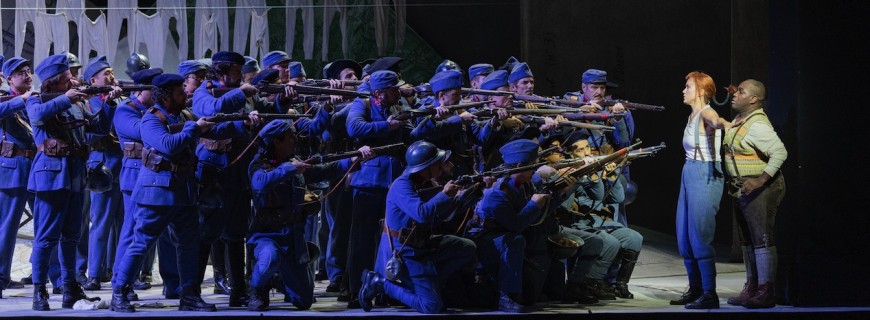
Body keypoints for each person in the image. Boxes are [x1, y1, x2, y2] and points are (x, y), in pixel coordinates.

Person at [110, 73, 248, 312]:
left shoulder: (183, 115)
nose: (185, 94)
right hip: (157, 192)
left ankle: (189, 295)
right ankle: (120, 291)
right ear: (165, 96)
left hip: (183, 191)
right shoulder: (151, 119)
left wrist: (242, 123)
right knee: (141, 243)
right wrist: (194, 128)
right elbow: (168, 145)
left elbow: (213, 131)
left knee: (189, 244)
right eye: (179, 92)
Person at [246, 119, 372, 311]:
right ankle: (257, 287)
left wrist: (351, 161)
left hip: (292, 239)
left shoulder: (293, 163)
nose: (295, 140)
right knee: (270, 257)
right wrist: (289, 169)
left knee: (303, 301)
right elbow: (259, 183)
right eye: (290, 137)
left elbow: (324, 171)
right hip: (266, 235)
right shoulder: (259, 164)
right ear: (276, 142)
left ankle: (277, 280)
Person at [27, 53, 112, 311]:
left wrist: (108, 104)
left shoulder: (75, 102)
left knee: (72, 236)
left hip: (76, 174)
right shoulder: (37, 99)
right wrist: (66, 98)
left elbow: (98, 128)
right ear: (52, 84)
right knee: (45, 237)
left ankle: (70, 288)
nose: (73, 80)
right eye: (67, 78)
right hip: (51, 175)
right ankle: (39, 289)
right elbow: (38, 116)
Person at [358, 140, 476, 314]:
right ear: (425, 167)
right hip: (404, 251)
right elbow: (422, 213)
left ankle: (429, 283)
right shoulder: (402, 185)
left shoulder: (423, 183)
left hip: (422, 244)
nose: (441, 166)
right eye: (437, 163)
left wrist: (473, 191)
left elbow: (442, 216)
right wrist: (444, 194)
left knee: (467, 248)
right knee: (431, 306)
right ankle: (380, 283)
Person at [344, 70, 412, 308]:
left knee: (391, 242)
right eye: (394, 89)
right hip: (369, 182)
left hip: (394, 184)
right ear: (379, 93)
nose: (398, 92)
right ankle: (355, 291)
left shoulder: (396, 106)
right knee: (361, 242)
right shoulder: (361, 103)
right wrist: (387, 126)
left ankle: (387, 289)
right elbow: (354, 128)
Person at [722, 79, 787, 309]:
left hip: (761, 188)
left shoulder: (757, 125)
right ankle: (752, 285)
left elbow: (780, 152)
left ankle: (765, 290)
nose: (735, 94)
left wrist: (760, 180)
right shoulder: (742, 120)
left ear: (754, 99)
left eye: (741, 91)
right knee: (747, 240)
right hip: (742, 188)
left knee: (762, 239)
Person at [670, 71, 729, 309]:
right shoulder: (691, 116)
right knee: (684, 233)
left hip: (705, 173)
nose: (684, 90)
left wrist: (727, 123)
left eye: (688, 86)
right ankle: (695, 288)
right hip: (689, 171)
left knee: (700, 233)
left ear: (701, 91)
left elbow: (718, 122)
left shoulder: (707, 112)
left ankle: (709, 293)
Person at [80, 55, 126, 290]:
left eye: (111, 71)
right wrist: (108, 103)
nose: (111, 75)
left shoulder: (121, 101)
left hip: (123, 165)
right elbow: (94, 133)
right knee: (100, 223)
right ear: (93, 79)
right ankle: (94, 273)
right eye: (106, 73)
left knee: (123, 224)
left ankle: (118, 272)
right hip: (102, 165)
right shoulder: (88, 103)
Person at [0, 57, 37, 299]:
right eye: (20, 72)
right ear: (10, 79)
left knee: (45, 225)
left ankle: (46, 275)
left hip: (38, 166)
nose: (27, 74)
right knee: (7, 228)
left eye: (28, 70)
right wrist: (20, 100)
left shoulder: (34, 97)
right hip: (13, 168)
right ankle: (1, 277)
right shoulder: (8, 99)